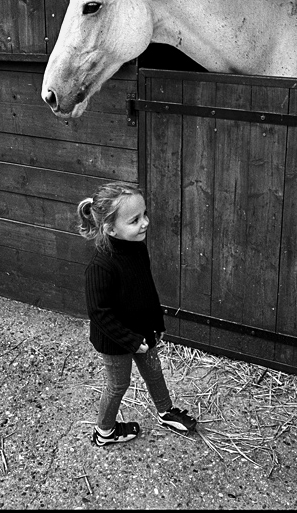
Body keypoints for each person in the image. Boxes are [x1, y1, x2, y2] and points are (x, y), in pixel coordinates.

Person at [77, 181, 196, 447]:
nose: (145, 223)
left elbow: (146, 289)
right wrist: (130, 341)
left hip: (144, 330)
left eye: (144, 215)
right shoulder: (101, 266)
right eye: (135, 220)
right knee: (118, 385)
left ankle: (166, 411)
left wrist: (157, 322)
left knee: (154, 372)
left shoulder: (138, 248)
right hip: (116, 341)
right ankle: (104, 431)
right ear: (110, 228)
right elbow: (98, 313)